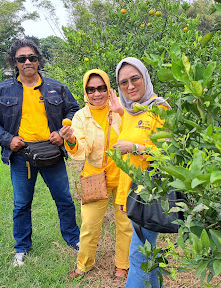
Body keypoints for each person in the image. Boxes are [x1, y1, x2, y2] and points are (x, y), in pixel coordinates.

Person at [0, 39, 80, 267]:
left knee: (64, 199)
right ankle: (22, 248)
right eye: (21, 58)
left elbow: (74, 110)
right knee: (22, 203)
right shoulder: (0, 91)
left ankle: (74, 239)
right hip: (22, 155)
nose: (27, 62)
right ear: (14, 62)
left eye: (32, 58)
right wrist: (8, 139)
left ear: (38, 60)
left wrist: (61, 133)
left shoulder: (57, 88)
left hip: (52, 151)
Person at [60, 69, 132, 281]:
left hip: (123, 177)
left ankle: (122, 265)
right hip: (95, 179)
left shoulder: (122, 108)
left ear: (109, 89)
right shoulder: (81, 117)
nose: (97, 93)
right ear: (85, 92)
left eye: (101, 88)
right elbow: (82, 150)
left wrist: (121, 112)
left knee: (125, 225)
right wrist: (71, 140)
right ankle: (84, 264)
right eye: (91, 89)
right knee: (89, 226)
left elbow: (135, 132)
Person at [112, 57, 171, 288]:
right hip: (133, 195)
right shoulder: (130, 112)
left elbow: (170, 153)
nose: (130, 86)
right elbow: (127, 165)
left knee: (137, 256)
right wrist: (121, 197)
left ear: (145, 77)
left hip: (151, 193)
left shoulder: (160, 108)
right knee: (146, 254)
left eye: (135, 78)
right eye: (123, 82)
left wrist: (135, 148)